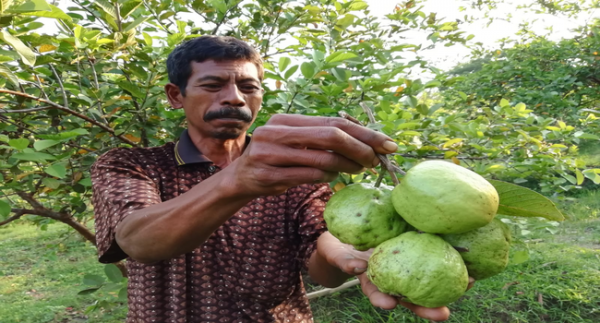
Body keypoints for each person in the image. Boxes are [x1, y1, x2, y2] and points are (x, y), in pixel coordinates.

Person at [91, 35, 458, 323]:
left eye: (248, 87)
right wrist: (240, 178)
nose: (234, 98)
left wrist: (354, 253)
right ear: (176, 95)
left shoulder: (296, 170)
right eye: (213, 84)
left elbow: (322, 259)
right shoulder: (131, 164)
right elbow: (138, 239)